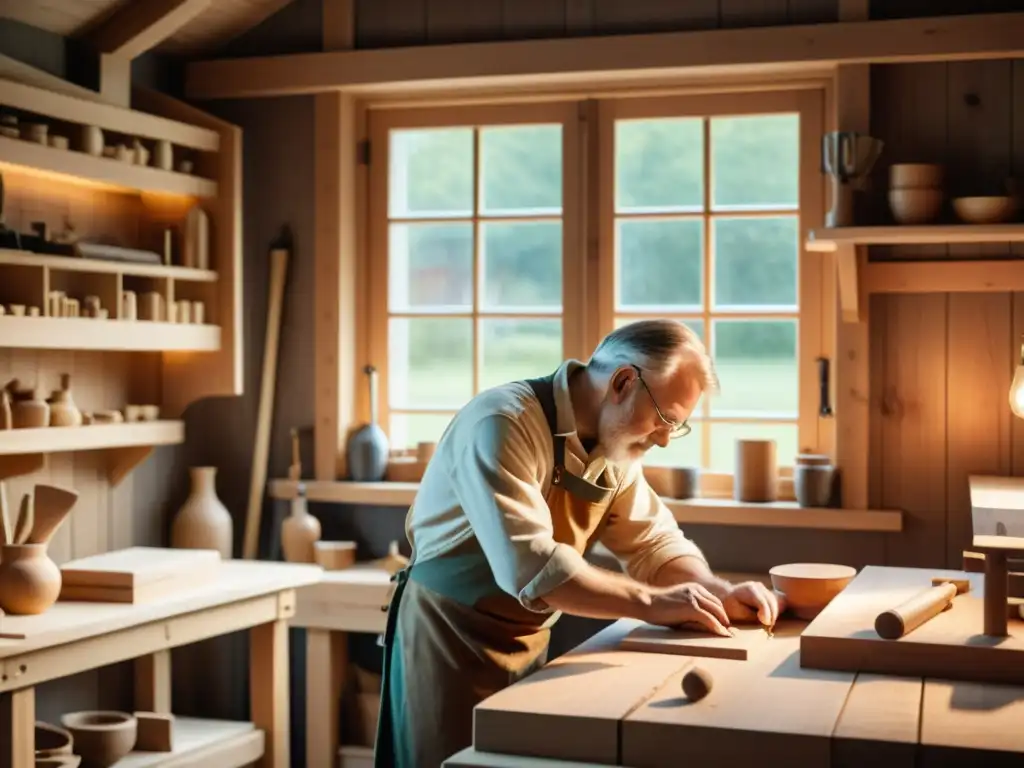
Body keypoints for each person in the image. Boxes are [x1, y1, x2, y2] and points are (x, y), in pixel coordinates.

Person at [374, 319, 780, 768]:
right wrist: (653, 602)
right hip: (444, 641)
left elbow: (653, 543)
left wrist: (715, 592)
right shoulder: (502, 423)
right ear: (624, 382)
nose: (664, 439)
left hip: (527, 641)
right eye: (665, 419)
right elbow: (531, 567)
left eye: (676, 427)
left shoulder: (615, 447)